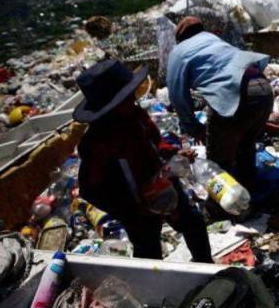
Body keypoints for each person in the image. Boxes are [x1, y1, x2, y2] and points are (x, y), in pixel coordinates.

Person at [75, 59, 212, 262]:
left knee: (193, 222)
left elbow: (157, 144)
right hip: (134, 205)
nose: (133, 98)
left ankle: (207, 267)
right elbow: (90, 189)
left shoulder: (137, 116)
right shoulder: (96, 143)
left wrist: (174, 153)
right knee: (148, 249)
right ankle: (155, 290)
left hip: (162, 184)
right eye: (126, 97)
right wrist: (129, 208)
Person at [166, 16, 272, 190]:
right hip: (263, 88)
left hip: (235, 94)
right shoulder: (214, 40)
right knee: (245, 146)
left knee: (218, 164)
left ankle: (220, 211)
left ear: (180, 38)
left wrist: (193, 127)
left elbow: (177, 95)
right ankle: (251, 196)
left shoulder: (179, 51)